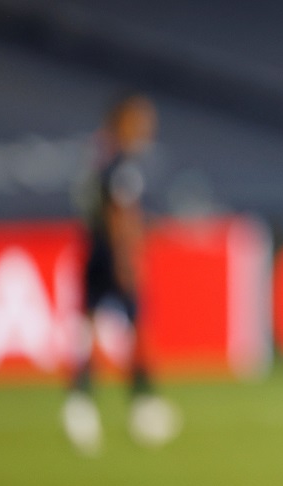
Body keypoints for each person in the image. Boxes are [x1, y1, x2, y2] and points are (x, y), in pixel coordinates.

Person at [62, 93, 180, 455]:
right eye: (139, 120)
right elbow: (120, 213)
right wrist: (126, 259)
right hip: (113, 254)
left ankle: (81, 399)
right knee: (136, 324)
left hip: (94, 249)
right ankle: (142, 402)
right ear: (123, 122)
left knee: (89, 324)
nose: (146, 127)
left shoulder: (98, 156)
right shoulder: (122, 163)